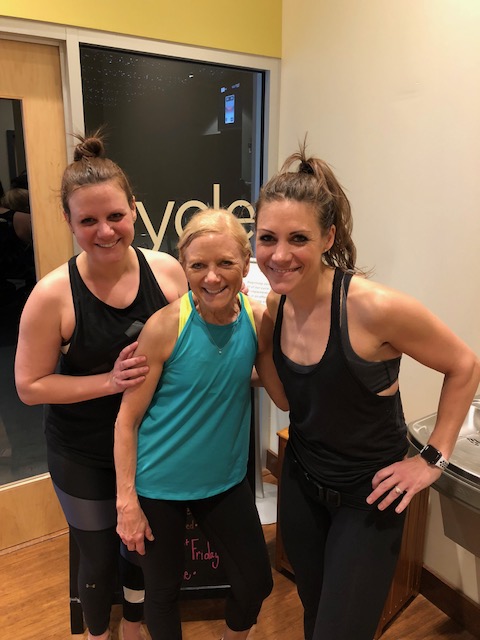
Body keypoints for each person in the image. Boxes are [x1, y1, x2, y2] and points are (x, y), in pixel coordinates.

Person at [253, 144, 480, 640]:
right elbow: (287, 400)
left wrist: (431, 460)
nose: (279, 254)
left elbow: (464, 365)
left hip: (369, 496)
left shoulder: (373, 308)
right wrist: (259, 349)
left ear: (328, 237)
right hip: (303, 481)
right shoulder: (276, 306)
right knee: (314, 610)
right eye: (267, 238)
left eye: (298, 238)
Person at [15, 133, 188, 640]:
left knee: (140, 546)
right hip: (82, 450)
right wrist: (109, 382)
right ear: (68, 222)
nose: (105, 231)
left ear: (134, 209)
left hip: (150, 444)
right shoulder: (52, 295)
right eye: (88, 220)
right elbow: (29, 386)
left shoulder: (167, 272)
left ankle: (132, 624)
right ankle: (97, 634)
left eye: (115, 215)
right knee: (97, 557)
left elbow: (189, 349)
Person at [114, 208, 288, 640]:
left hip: (224, 481)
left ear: (245, 265)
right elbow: (127, 421)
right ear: (184, 267)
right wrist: (126, 502)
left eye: (225, 263)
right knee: (162, 592)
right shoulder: (163, 327)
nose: (211, 277)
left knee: (256, 582)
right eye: (198, 265)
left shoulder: (257, 320)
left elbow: (282, 395)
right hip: (159, 484)